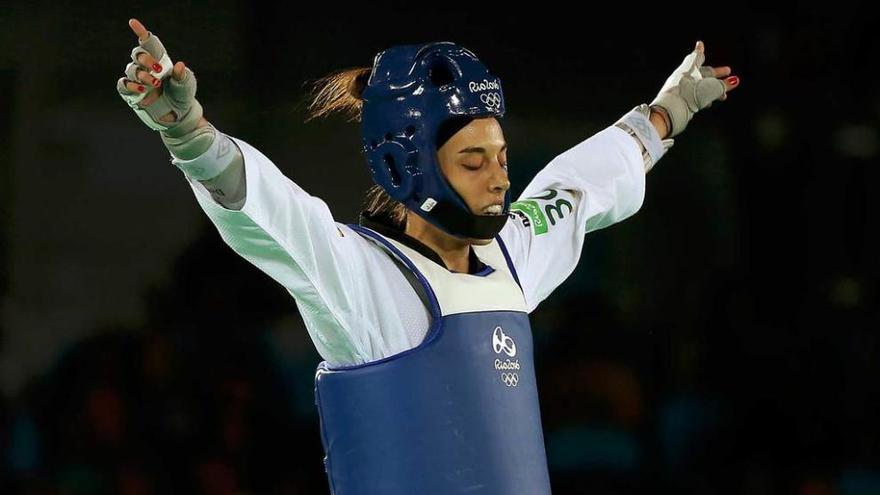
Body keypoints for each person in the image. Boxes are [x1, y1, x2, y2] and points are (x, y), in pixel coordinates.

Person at [117, 18, 739, 495]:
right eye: (473, 161)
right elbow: (271, 216)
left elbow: (578, 189)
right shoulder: (367, 280)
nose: (498, 178)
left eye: (499, 157)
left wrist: (668, 112)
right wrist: (189, 134)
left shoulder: (512, 260)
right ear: (407, 164)